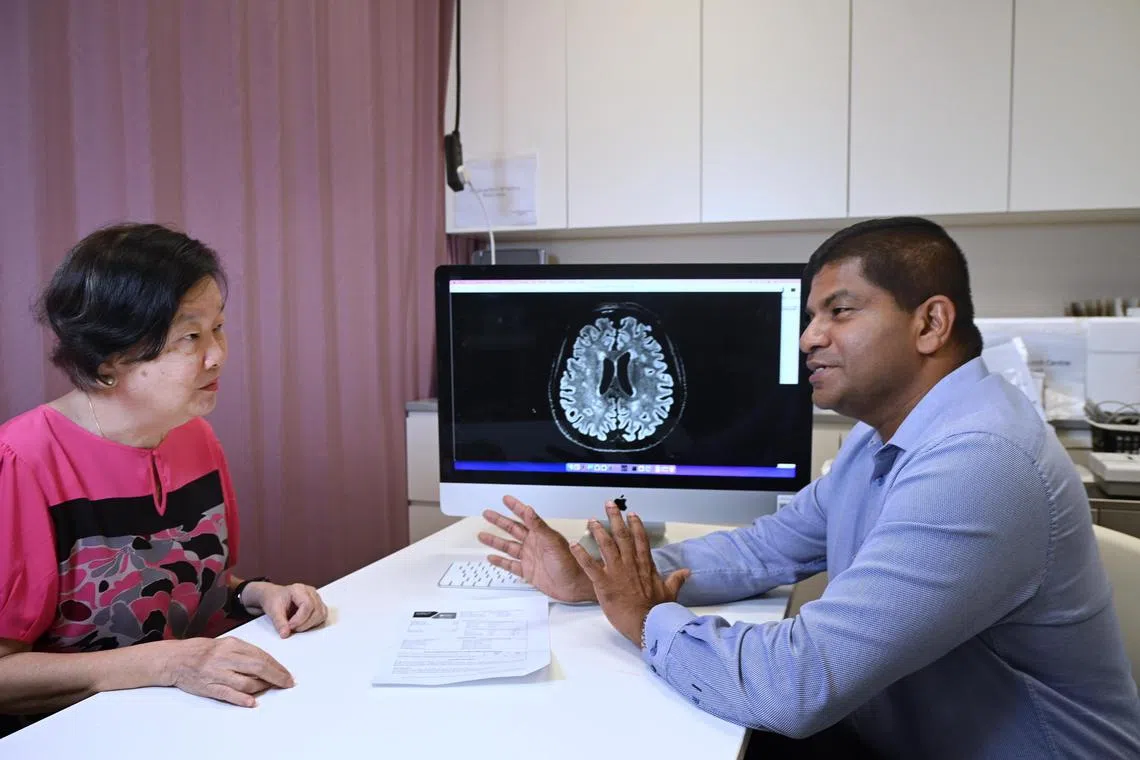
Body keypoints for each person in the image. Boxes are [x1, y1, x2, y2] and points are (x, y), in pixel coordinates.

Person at [478, 217, 1140, 758]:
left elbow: (796, 683)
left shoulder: (980, 461)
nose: (809, 338)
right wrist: (595, 579)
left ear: (930, 324)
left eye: (839, 312)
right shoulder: (880, 439)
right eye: (811, 316)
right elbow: (768, 550)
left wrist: (650, 621)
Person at [0, 224, 328, 733]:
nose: (216, 354)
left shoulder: (195, 437)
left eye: (217, 328)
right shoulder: (23, 463)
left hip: (186, 722)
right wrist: (166, 663)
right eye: (189, 337)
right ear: (109, 356)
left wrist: (259, 594)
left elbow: (194, 585)